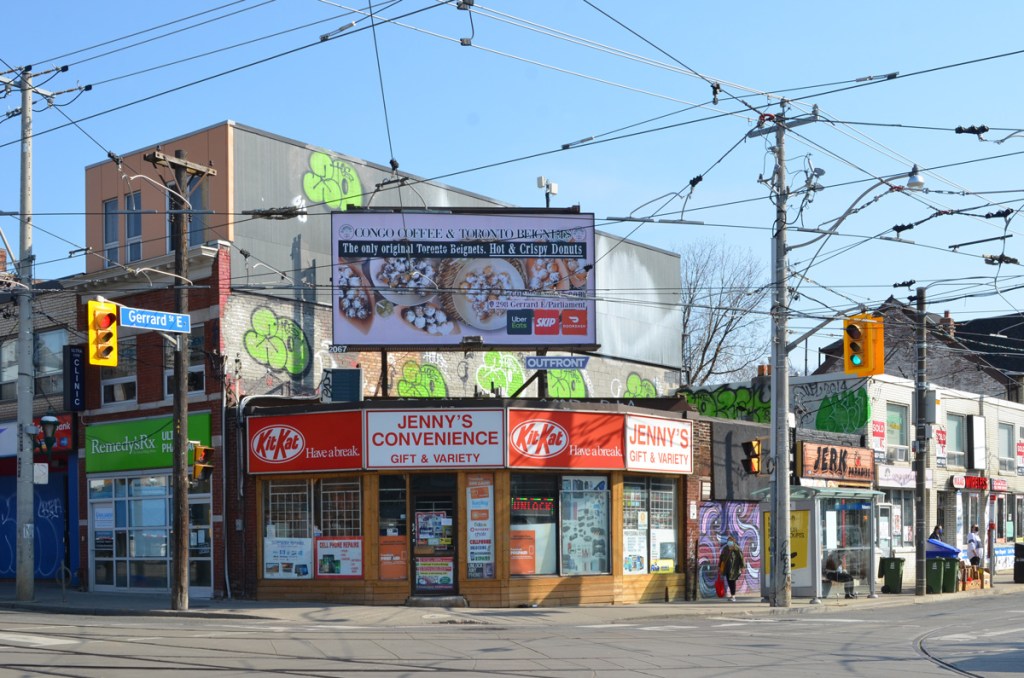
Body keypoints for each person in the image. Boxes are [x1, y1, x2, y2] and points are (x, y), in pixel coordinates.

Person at [718, 535, 744, 602]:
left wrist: (742, 566)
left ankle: (733, 596)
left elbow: (741, 558)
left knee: (732, 582)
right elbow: (721, 558)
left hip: (734, 568)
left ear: (733, 542)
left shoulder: (737, 549)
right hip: (727, 568)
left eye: (731, 541)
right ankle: (732, 595)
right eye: (728, 541)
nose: (729, 542)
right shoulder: (725, 549)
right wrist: (719, 566)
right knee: (729, 581)